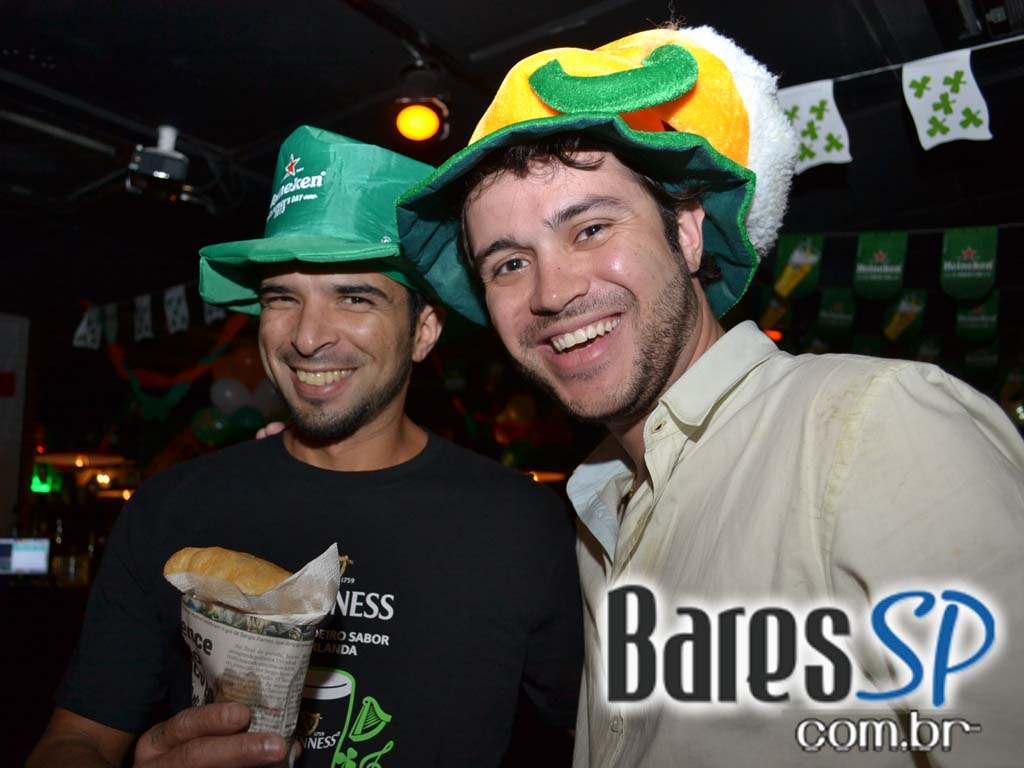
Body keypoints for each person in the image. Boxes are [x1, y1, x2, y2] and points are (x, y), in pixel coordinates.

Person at [395, 27, 1024, 767]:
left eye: (591, 228)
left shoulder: (873, 426)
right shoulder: (603, 515)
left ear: (688, 232)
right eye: (507, 264)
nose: (552, 292)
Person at [28, 126, 582, 768]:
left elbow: (622, 738)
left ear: (424, 330)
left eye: (355, 297)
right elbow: (75, 740)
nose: (308, 337)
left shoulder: (521, 525)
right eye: (282, 298)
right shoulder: (171, 508)